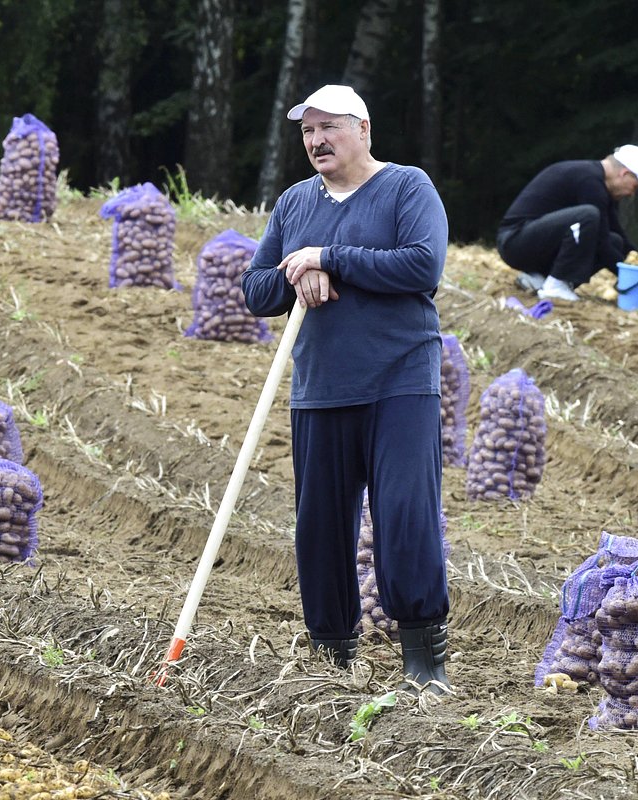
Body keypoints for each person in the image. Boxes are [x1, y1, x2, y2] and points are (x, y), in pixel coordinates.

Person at [241, 84, 451, 695]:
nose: (316, 140)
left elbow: (422, 265)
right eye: (307, 131)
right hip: (320, 386)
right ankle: (332, 657)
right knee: (320, 525)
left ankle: (424, 661)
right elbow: (257, 291)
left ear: (362, 127)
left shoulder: (408, 187)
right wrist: (297, 270)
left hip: (400, 379)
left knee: (403, 514)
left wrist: (330, 257)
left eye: (328, 127)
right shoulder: (294, 202)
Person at [496, 145, 638, 302]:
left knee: (615, 241)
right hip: (514, 241)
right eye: (635, 186)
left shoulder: (599, 184)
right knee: (588, 215)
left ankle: (542, 280)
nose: (632, 194)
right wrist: (628, 275)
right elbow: (601, 241)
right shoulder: (589, 181)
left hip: (535, 242)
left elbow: (616, 233)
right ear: (624, 173)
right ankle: (556, 285)